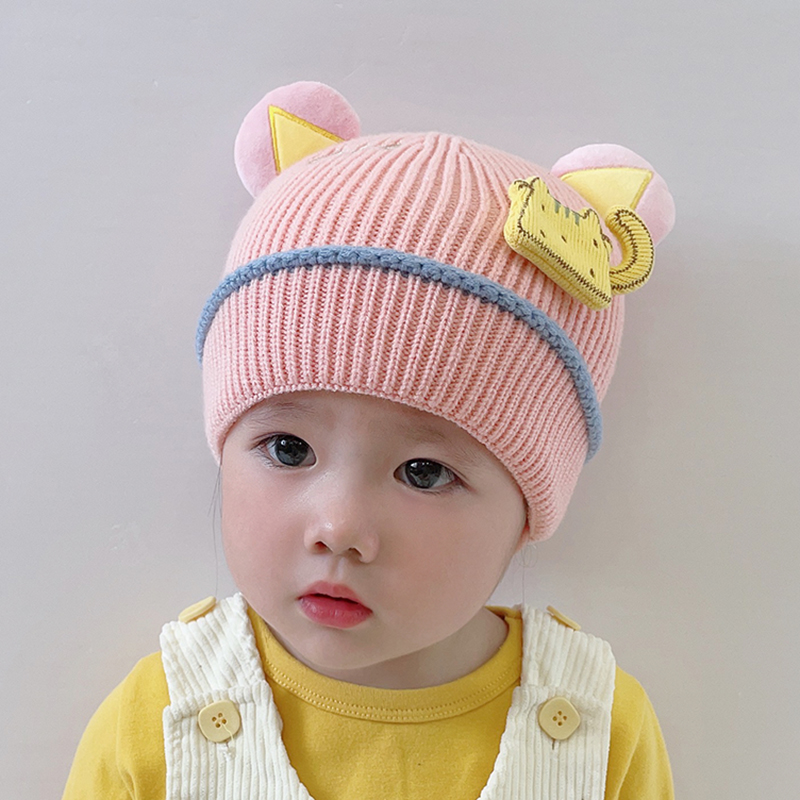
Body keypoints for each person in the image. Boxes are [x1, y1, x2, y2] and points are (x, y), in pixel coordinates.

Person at [62, 80, 676, 800]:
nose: (341, 529)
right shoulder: (159, 725)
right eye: (288, 449)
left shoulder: (600, 733)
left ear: (528, 513)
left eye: (424, 472)